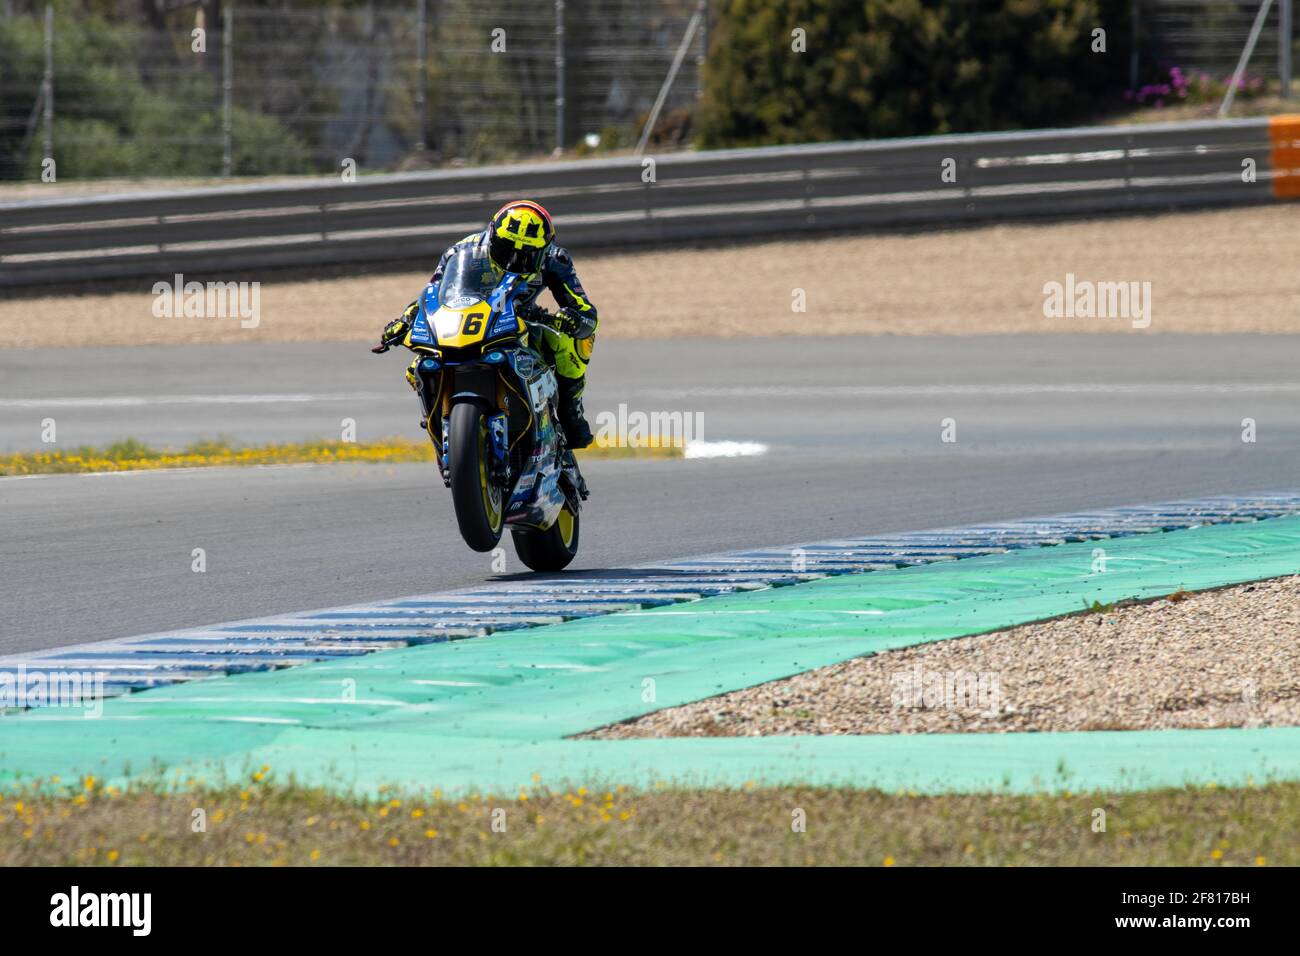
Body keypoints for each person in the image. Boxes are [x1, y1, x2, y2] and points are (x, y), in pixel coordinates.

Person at [377, 200, 598, 448]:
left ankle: (571, 413)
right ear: (492, 238)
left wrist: (573, 320)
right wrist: (405, 319)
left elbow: (586, 312)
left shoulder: (555, 260)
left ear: (544, 250)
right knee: (415, 368)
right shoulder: (461, 251)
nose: (515, 261)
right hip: (468, 321)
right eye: (507, 251)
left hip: (522, 318)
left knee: (571, 342)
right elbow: (433, 293)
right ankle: (438, 417)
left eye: (527, 257)